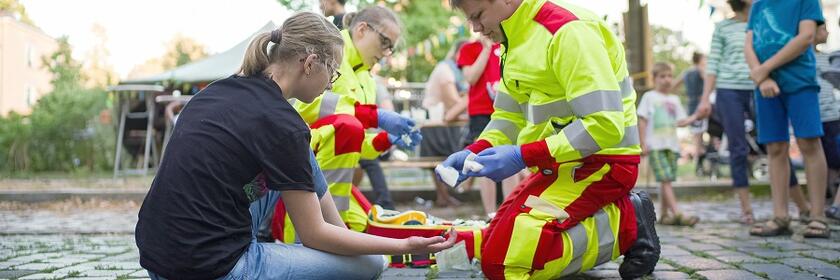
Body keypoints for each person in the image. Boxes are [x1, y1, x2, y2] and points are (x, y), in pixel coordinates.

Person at [135, 12, 456, 280]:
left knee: (301, 150)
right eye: (332, 71)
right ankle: (330, 247)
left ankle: (339, 235)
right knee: (369, 264)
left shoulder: (218, 91)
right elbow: (314, 233)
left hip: (158, 258)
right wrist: (401, 246)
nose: (331, 83)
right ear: (310, 63)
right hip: (213, 267)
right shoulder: (282, 123)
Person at [444, 0, 660, 278]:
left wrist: (523, 155)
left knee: (504, 265)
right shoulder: (513, 40)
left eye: (478, 16)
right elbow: (508, 117)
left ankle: (627, 222)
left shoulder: (568, 32)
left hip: (603, 165)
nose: (474, 28)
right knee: (494, 247)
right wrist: (476, 150)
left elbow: (605, 125)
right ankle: (618, 220)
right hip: (558, 165)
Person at [288, 6, 421, 233]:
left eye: (392, 48)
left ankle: (334, 227)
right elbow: (305, 107)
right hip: (299, 171)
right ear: (362, 29)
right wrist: (374, 115)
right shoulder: (330, 50)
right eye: (385, 42)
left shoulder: (367, 79)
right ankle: (314, 231)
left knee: (375, 241)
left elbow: (356, 145)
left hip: (335, 190)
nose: (387, 52)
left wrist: (385, 140)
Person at [745, 0, 829, 238]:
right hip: (765, 85)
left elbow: (806, 37)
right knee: (774, 148)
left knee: (809, 143)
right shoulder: (758, 5)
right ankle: (780, 215)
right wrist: (762, 78)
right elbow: (748, 45)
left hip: (800, 80)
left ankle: (818, 217)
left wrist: (765, 68)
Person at [457, 35, 525, 215]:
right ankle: (490, 213)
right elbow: (470, 78)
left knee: (509, 157)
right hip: (481, 111)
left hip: (508, 109)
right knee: (483, 159)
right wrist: (486, 49)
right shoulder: (469, 48)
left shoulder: (508, 44)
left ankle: (509, 212)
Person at [638, 62, 700, 227]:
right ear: (654, 78)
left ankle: (664, 215)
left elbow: (681, 122)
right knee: (665, 179)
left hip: (672, 146)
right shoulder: (649, 97)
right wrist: (643, 143)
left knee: (667, 180)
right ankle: (678, 214)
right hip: (655, 145)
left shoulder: (674, 99)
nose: (667, 80)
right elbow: (642, 120)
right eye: (662, 76)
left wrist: (696, 116)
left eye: (670, 76)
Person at [421, 40, 471, 206]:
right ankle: (444, 196)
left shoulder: (450, 69)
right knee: (440, 159)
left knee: (441, 159)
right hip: (437, 120)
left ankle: (443, 196)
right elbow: (452, 100)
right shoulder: (446, 70)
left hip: (440, 119)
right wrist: (467, 104)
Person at [814, 22, 840, 221]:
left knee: (834, 160)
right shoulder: (807, 59)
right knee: (819, 157)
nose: (828, 32)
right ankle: (824, 202)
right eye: (823, 29)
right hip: (816, 115)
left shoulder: (829, 58)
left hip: (832, 115)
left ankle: (833, 202)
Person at [672, 52, 707, 161]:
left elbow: (674, 85)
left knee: (696, 134)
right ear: (700, 60)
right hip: (700, 104)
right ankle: (698, 158)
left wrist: (683, 94)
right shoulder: (700, 71)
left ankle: (698, 157)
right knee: (699, 135)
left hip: (690, 104)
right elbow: (708, 81)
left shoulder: (686, 72)